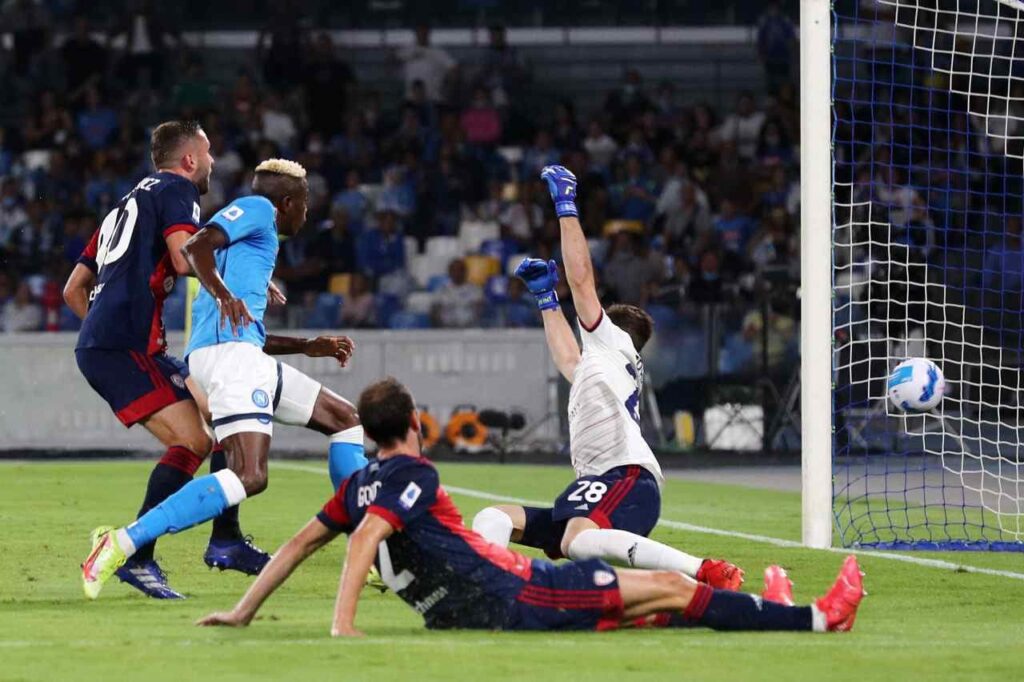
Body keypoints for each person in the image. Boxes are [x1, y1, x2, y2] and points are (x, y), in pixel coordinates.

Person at [196, 377, 866, 636]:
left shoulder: (355, 484)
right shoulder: (415, 475)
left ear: (368, 434)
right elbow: (369, 537)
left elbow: (298, 544)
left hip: (463, 610)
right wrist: (343, 625)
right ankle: (814, 618)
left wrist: (243, 611)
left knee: (649, 608)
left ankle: (766, 609)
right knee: (668, 586)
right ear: (416, 425)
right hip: (517, 593)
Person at [80, 159, 368, 601]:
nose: (307, 212)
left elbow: (242, 326)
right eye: (305, 202)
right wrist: (223, 293)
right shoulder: (258, 209)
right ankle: (124, 542)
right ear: (286, 202)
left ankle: (364, 546)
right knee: (249, 475)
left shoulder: (243, 252)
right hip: (233, 362)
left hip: (239, 355)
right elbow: (195, 247)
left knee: (345, 419)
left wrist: (308, 345)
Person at [472, 165, 742, 590]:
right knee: (494, 517)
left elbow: (582, 282)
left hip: (626, 478)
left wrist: (566, 206)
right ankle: (489, 583)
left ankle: (704, 570)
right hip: (599, 484)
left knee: (578, 543)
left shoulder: (612, 340)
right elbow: (569, 360)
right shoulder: (605, 364)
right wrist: (546, 299)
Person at [65, 120, 268, 599]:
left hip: (127, 345)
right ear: (190, 159)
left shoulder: (125, 203)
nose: (213, 161)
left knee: (220, 412)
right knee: (193, 440)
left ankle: (226, 538)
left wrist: (100, 328)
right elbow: (183, 257)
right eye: (208, 152)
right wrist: (240, 275)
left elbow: (74, 289)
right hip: (124, 347)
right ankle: (136, 555)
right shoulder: (177, 190)